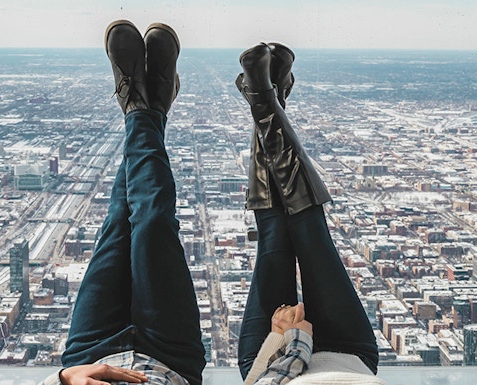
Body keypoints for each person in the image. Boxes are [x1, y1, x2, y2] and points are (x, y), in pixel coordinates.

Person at [41, 20, 205, 385]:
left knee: (118, 223)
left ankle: (146, 108)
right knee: (152, 223)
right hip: (171, 358)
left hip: (90, 351)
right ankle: (143, 109)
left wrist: (64, 379)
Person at [235, 42, 385, 385]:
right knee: (310, 230)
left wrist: (286, 339)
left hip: (267, 353)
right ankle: (265, 98)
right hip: (348, 356)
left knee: (275, 233)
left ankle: (265, 97)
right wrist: (295, 338)